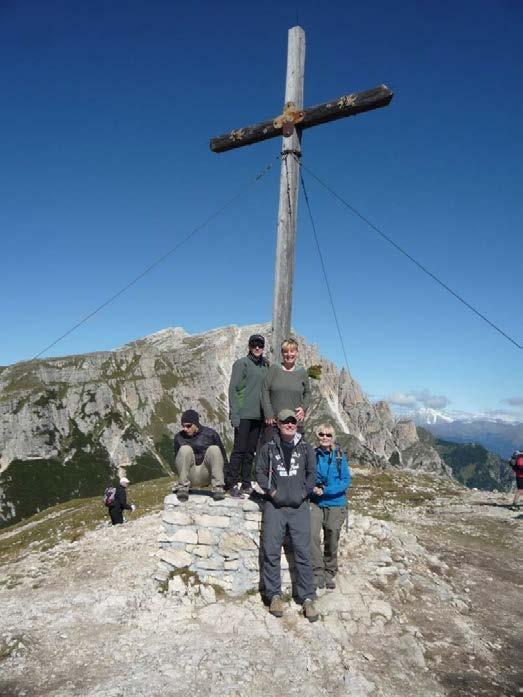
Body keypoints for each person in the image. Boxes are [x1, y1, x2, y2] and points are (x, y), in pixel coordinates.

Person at [256, 409, 319, 622]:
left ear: (296, 423)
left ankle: (308, 598)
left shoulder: (306, 447)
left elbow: (312, 473)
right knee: (271, 551)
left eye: (292, 421)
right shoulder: (268, 447)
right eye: (285, 421)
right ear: (278, 424)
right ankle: (274, 595)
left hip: (300, 507)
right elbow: (259, 472)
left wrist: (304, 493)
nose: (289, 424)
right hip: (275, 507)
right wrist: (272, 492)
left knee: (303, 552)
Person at [227, 333, 269, 497]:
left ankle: (245, 483)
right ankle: (231, 483)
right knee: (239, 449)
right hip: (244, 415)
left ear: (263, 347)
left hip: (258, 416)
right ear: (249, 346)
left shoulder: (265, 365)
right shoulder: (241, 364)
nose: (257, 347)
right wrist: (234, 414)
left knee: (250, 451)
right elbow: (233, 389)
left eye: (260, 345)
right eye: (254, 345)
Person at [310, 424, 351, 590]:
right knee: (311, 535)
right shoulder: (312, 455)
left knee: (332, 538)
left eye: (328, 434)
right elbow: (308, 475)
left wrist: (326, 490)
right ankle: (317, 572)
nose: (325, 437)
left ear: (333, 437)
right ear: (317, 436)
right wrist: (312, 487)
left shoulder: (339, 456)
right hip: (316, 502)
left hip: (335, 503)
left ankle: (329, 572)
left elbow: (346, 481)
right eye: (321, 434)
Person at [261, 337, 311, 443]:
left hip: (295, 422)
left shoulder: (302, 372)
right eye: (285, 352)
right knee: (270, 454)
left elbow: (307, 392)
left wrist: (303, 408)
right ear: (282, 353)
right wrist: (268, 413)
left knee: (296, 456)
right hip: (274, 422)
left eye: (292, 351)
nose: (289, 355)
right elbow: (264, 390)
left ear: (296, 352)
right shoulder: (274, 369)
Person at [173, 409, 228, 502]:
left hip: (206, 474)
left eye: (188, 426)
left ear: (196, 424)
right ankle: (182, 487)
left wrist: (228, 482)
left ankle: (218, 487)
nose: (185, 429)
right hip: (189, 475)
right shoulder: (178, 437)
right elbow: (177, 460)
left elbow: (222, 458)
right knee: (185, 449)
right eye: (183, 426)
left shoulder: (211, 434)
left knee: (214, 449)